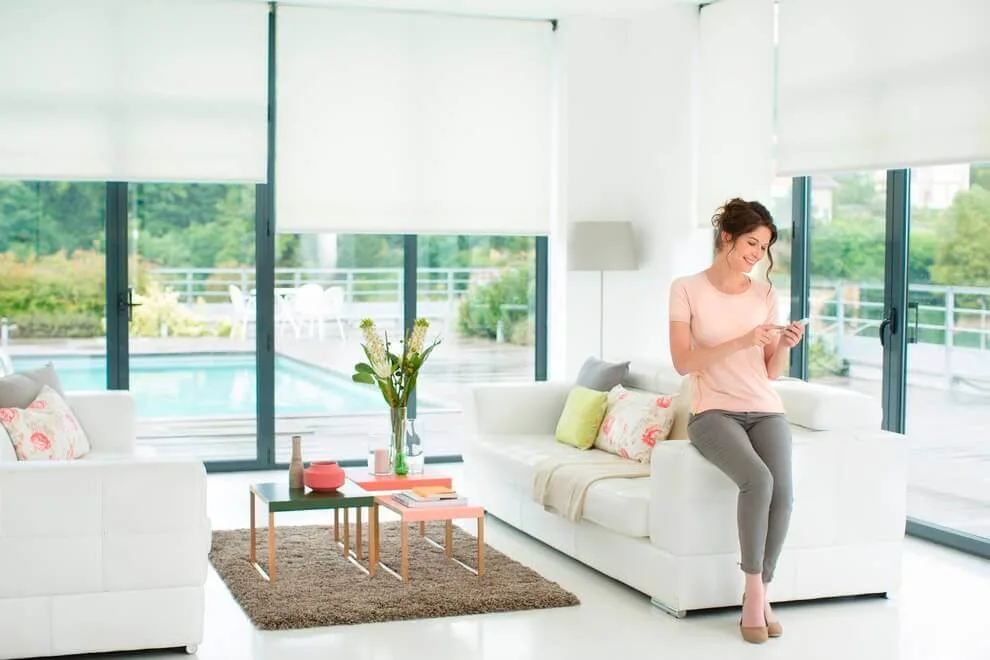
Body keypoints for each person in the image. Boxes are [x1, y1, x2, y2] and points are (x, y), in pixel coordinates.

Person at [668, 198, 805, 644]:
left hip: (764, 408)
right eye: (752, 242)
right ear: (727, 236)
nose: (757, 255)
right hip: (713, 412)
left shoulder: (764, 293)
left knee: (782, 494)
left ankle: (763, 589)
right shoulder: (686, 288)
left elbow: (770, 371)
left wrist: (784, 343)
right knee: (758, 481)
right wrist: (742, 338)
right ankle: (752, 594)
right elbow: (683, 362)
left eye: (764, 247)